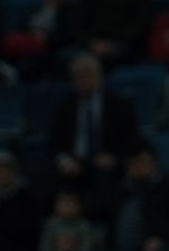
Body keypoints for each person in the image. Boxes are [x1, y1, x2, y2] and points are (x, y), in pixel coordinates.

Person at [48, 52, 141, 219]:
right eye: (78, 76)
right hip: (73, 164)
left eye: (88, 74)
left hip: (106, 165)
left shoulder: (119, 105)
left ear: (99, 76)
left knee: (107, 182)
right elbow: (52, 142)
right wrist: (64, 160)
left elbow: (132, 139)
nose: (83, 80)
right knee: (48, 181)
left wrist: (114, 157)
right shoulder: (64, 107)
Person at [6, 0, 81, 80]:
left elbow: (69, 35)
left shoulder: (70, 11)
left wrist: (47, 38)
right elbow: (21, 28)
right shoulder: (36, 11)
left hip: (50, 52)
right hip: (28, 48)